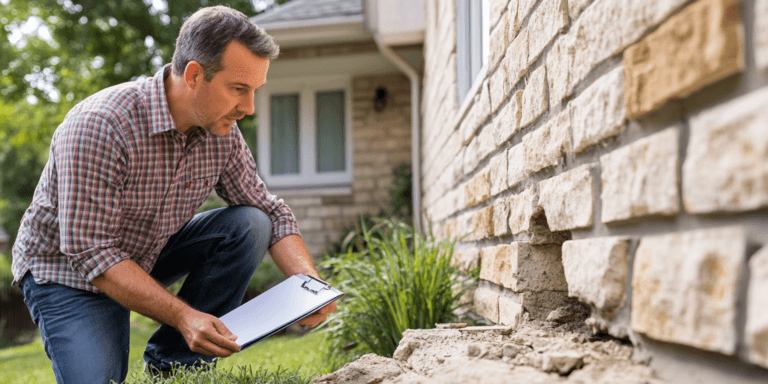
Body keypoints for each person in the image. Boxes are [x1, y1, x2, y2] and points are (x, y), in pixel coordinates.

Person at [10, 5, 336, 383]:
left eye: (254, 91)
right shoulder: (101, 125)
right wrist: (185, 316)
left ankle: (175, 366)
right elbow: (91, 251)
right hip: (68, 272)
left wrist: (310, 286)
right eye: (238, 89)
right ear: (195, 75)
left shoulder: (220, 133)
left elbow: (271, 211)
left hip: (142, 253)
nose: (248, 108)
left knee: (250, 223)